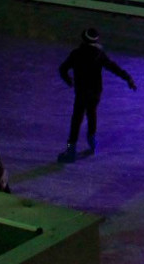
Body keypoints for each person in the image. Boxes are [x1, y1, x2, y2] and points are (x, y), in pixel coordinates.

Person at [58, 27, 136, 162]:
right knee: (92, 114)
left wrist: (68, 80)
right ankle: (92, 140)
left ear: (83, 39)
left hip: (81, 92)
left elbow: (62, 69)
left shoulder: (76, 53)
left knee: (76, 120)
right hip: (95, 92)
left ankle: (71, 149)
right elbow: (113, 67)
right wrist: (127, 78)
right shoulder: (99, 54)